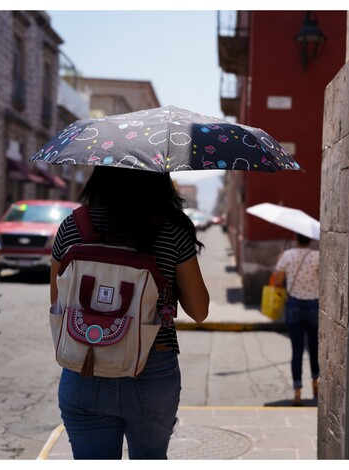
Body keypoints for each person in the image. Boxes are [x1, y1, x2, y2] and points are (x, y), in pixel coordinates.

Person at [49, 166, 209, 459]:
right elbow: (199, 311)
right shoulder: (173, 228)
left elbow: (58, 302)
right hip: (152, 368)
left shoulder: (73, 225)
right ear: (158, 180)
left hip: (84, 364)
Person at [272, 233, 320, 406]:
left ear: (296, 238)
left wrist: (280, 261)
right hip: (314, 304)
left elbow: (277, 281)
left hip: (294, 305)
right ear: (310, 239)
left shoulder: (287, 255)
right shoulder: (317, 256)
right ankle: (316, 385)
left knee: (297, 349)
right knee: (314, 347)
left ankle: (297, 392)